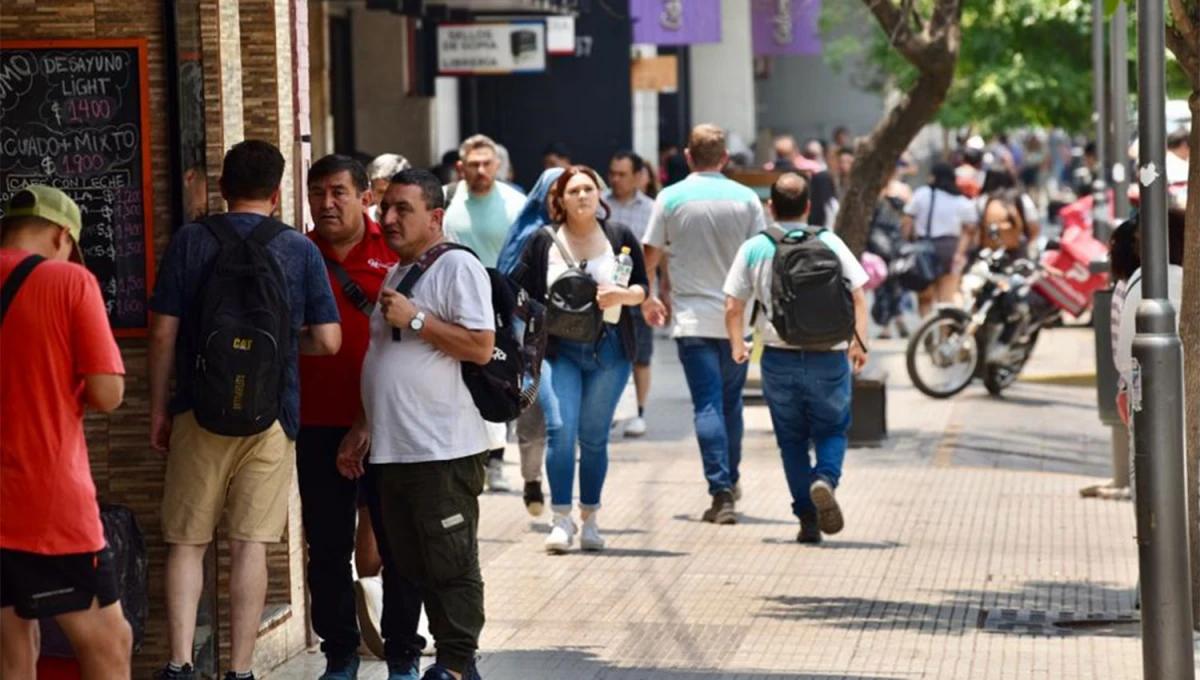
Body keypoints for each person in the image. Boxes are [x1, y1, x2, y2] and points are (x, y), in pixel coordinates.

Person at [149, 140, 343, 680]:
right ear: (278, 194)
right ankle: (240, 670)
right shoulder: (299, 250)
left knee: (187, 541)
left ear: (223, 188)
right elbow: (328, 340)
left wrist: (160, 409)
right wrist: (278, 350)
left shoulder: (191, 241)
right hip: (272, 415)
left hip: (197, 408)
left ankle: (180, 663)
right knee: (249, 544)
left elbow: (163, 333)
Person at [338, 168, 494, 680]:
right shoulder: (398, 272)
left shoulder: (457, 267)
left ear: (436, 216)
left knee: (450, 562)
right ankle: (450, 659)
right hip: (394, 448)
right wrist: (364, 425)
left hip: (441, 449)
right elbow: (383, 356)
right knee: (414, 563)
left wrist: (419, 320)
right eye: (386, 208)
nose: (388, 218)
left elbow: (480, 345)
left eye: (402, 209)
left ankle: (455, 664)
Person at [300, 155, 430, 679]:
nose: (326, 203)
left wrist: (373, 417)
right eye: (316, 193)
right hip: (316, 424)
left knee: (400, 545)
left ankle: (403, 653)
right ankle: (340, 653)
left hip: (391, 422)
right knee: (327, 547)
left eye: (338, 192)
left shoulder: (395, 252)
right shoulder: (297, 253)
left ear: (363, 198)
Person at [1, 186, 133, 680]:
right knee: (109, 642)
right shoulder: (69, 281)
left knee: (12, 650)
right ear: (62, 235)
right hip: (46, 502)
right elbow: (107, 393)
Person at [723, 173, 869, 543]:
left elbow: (732, 306)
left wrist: (737, 344)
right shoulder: (829, 241)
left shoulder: (755, 247)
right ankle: (825, 479)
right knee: (833, 429)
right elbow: (858, 296)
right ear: (808, 207)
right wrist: (859, 343)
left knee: (791, 440)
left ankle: (807, 518)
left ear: (770, 207)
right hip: (829, 356)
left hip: (778, 355)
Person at [515, 166, 649, 553]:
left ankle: (589, 519)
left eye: (589, 188)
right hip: (558, 352)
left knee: (593, 438)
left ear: (599, 194)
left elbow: (642, 288)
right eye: (573, 190)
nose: (582, 196)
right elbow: (518, 293)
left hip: (609, 351)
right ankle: (561, 519)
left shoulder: (620, 238)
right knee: (561, 429)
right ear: (559, 200)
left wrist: (621, 297)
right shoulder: (542, 241)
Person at [642, 123, 767, 525]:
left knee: (708, 405)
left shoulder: (671, 198)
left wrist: (649, 296)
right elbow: (761, 256)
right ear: (725, 158)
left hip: (692, 319)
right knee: (730, 405)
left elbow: (649, 255)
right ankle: (730, 479)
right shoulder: (747, 199)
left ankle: (721, 490)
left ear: (688, 156)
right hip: (738, 321)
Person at [443, 134, 527, 493]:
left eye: (486, 163)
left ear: (498, 165)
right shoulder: (445, 200)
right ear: (461, 166)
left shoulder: (515, 203)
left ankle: (495, 460)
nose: (480, 170)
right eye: (473, 164)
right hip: (452, 303)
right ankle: (466, 451)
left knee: (498, 377)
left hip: (501, 307)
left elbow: (528, 254)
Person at [497, 168, 566, 516]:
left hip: (569, 343)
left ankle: (565, 504)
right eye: (555, 192)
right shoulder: (527, 232)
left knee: (561, 423)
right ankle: (531, 479)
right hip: (530, 339)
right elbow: (507, 284)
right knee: (532, 420)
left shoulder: (582, 233)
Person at [605, 151, 657, 437]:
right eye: (612, 172)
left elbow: (660, 253)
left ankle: (639, 411)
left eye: (622, 174)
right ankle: (610, 407)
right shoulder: (601, 205)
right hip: (606, 291)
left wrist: (662, 292)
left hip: (639, 291)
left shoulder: (651, 209)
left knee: (641, 355)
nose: (615, 179)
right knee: (608, 351)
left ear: (638, 176)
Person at [902, 162, 978, 318]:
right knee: (946, 298)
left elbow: (907, 223)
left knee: (924, 298)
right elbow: (968, 231)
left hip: (923, 248)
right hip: (950, 249)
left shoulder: (922, 194)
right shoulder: (961, 201)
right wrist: (959, 253)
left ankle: (925, 334)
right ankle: (944, 336)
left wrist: (908, 240)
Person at [976, 167, 1042, 260]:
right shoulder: (1021, 198)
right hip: (1017, 253)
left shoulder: (983, 200)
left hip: (987, 253)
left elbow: (974, 228)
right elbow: (1034, 225)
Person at [366, 154, 412, 222]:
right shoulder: (362, 221)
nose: (387, 199)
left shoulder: (417, 220)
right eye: (381, 192)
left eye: (394, 193)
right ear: (371, 192)